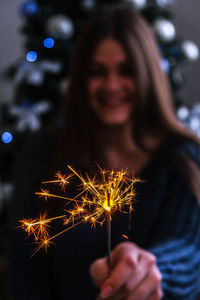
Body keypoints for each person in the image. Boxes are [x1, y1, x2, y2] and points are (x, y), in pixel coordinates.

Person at [8, 6, 200, 300]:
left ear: (148, 74)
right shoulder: (43, 155)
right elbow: (25, 270)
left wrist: (151, 271)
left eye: (126, 71)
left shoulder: (183, 159)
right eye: (97, 72)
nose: (112, 86)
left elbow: (188, 251)